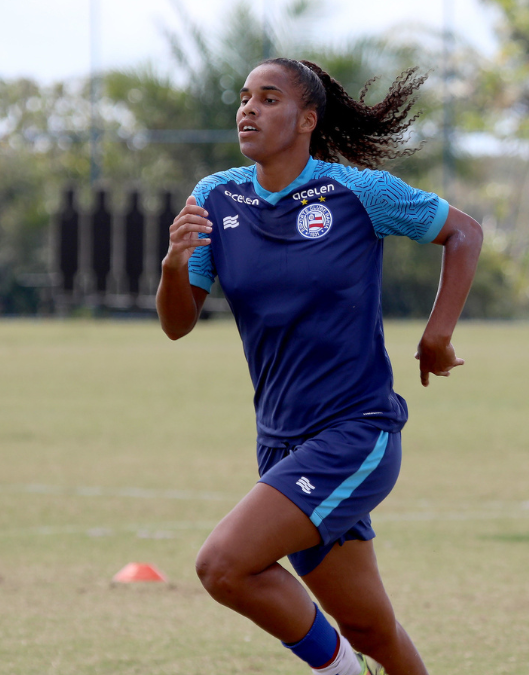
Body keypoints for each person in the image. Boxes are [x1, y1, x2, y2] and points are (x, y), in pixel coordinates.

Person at [156, 57, 482, 675]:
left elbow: (464, 233)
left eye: (269, 98)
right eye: (245, 97)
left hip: (356, 434)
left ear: (306, 119)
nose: (248, 109)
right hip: (280, 444)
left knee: (222, 564)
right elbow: (177, 324)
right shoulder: (213, 198)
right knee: (369, 627)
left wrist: (437, 336)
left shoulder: (358, 193)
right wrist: (175, 265)